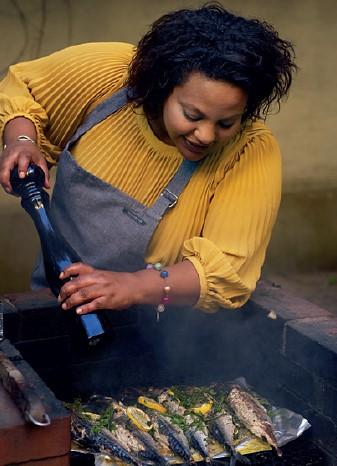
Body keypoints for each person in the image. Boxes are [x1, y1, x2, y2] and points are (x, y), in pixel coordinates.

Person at [0, 3, 297, 318]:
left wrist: (132, 286)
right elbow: (23, 88)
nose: (206, 136)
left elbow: (228, 272)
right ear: (162, 87)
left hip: (164, 333)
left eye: (226, 123)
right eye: (192, 115)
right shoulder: (110, 76)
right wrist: (21, 141)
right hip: (55, 305)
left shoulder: (250, 150)